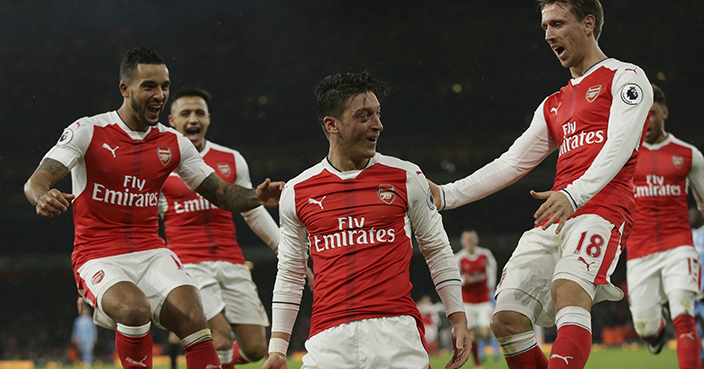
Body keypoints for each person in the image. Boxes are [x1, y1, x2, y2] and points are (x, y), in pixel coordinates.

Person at [23, 47, 283, 369]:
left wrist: (257, 196)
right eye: (149, 86)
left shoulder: (173, 142)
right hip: (97, 253)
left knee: (194, 314)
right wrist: (43, 196)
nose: (159, 95)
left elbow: (221, 194)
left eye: (165, 86)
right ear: (125, 88)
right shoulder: (88, 130)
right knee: (134, 308)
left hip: (151, 250)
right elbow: (36, 181)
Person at [428, 1, 653, 368]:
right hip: (554, 214)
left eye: (558, 24)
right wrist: (448, 194)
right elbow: (512, 162)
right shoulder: (554, 103)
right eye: (545, 26)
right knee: (506, 320)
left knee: (569, 291)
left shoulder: (625, 77)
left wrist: (573, 193)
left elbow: (621, 145)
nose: (548, 35)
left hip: (601, 208)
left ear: (588, 24)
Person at [261, 71, 470, 369]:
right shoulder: (297, 190)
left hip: (397, 334)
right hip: (328, 340)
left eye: (378, 114)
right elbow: (292, 272)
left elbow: (436, 250)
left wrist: (457, 317)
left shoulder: (407, 177)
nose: (378, 125)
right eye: (364, 116)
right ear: (331, 125)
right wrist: (278, 349)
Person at [159, 87, 279, 368]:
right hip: (189, 265)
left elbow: (253, 211)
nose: (193, 119)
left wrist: (283, 248)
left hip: (232, 262)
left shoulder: (231, 159)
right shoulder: (160, 164)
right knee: (220, 339)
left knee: (256, 349)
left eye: (199, 113)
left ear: (209, 119)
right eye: (185, 113)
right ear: (171, 121)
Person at [626, 84, 704, 369]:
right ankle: (656, 330)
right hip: (639, 251)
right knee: (644, 329)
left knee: (684, 315)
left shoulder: (688, 154)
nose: (646, 121)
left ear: (665, 113)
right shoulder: (623, 156)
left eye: (653, 114)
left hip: (679, 245)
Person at [456, 230, 497, 369]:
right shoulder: (459, 258)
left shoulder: (485, 254)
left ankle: (474, 338)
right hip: (467, 302)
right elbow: (455, 280)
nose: (470, 241)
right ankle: (478, 364)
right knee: (471, 335)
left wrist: (491, 284)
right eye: (467, 239)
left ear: (477, 240)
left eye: (472, 238)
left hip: (483, 300)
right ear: (462, 241)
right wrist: (463, 280)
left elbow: (492, 268)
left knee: (485, 333)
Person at [690, 206, 704, 365]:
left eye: (694, 214)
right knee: (694, 330)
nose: (690, 217)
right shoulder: (688, 236)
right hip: (693, 290)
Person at [72, 298, 98, 369]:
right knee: (82, 351)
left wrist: (94, 338)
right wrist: (75, 337)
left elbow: (93, 330)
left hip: (88, 339)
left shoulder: (90, 320)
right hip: (81, 339)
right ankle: (84, 362)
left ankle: (87, 364)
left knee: (88, 351)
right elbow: (76, 330)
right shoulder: (78, 321)